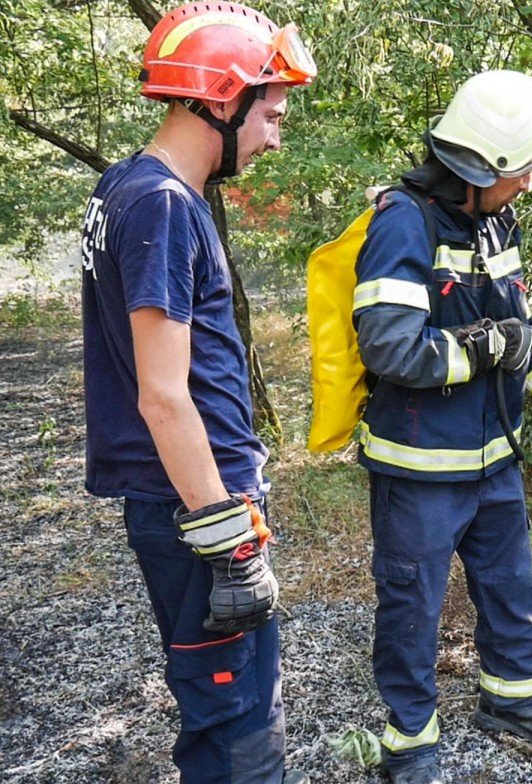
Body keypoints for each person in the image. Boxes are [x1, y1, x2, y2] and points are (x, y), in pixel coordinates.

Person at [352, 70, 532, 784]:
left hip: (493, 460)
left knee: (511, 590)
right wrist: (482, 348)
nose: (530, 183)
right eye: (524, 169)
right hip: (419, 467)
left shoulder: (497, 221)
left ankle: (510, 704)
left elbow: (518, 339)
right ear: (480, 165)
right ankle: (409, 742)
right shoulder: (403, 222)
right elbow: (389, 347)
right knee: (412, 607)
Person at [79, 4, 315, 782]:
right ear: (223, 98)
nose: (275, 137)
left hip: (183, 501)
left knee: (221, 710)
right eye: (271, 114)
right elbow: (162, 395)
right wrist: (230, 539)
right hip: (195, 509)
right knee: (239, 721)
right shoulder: (165, 205)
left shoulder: (128, 185)